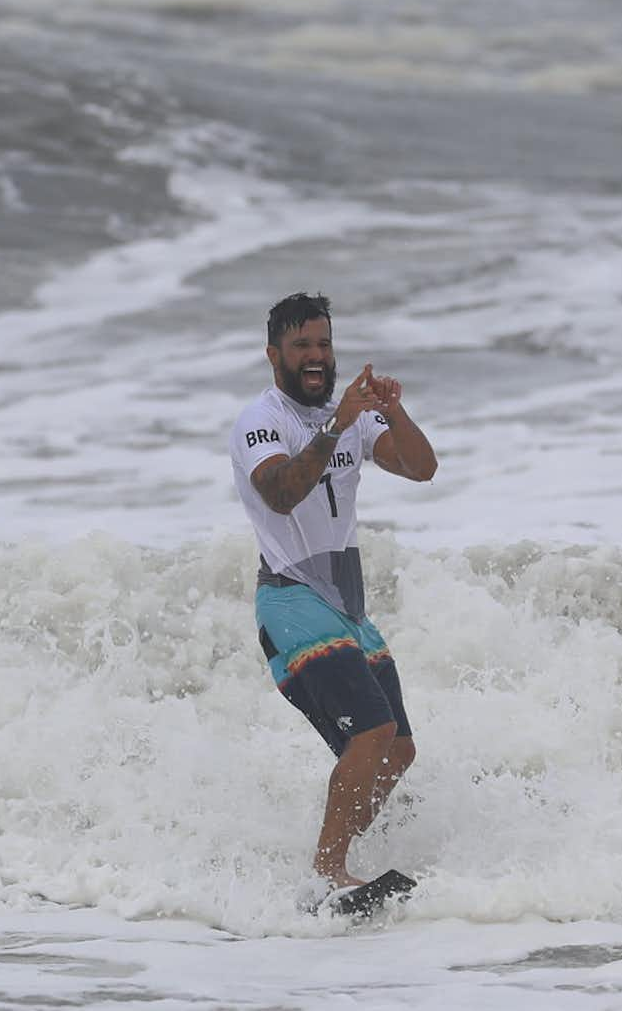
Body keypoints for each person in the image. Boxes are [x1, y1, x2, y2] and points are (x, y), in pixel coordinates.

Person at [228, 292, 439, 894]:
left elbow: (421, 468)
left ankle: (333, 862)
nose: (316, 357)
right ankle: (328, 873)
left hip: (346, 608)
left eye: (324, 344)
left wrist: (393, 413)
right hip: (291, 601)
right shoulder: (260, 422)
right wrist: (338, 424)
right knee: (370, 734)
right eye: (302, 347)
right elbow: (281, 493)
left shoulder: (353, 415)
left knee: (397, 750)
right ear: (275, 355)